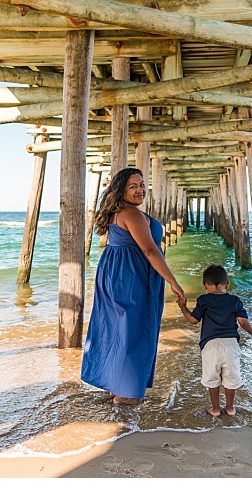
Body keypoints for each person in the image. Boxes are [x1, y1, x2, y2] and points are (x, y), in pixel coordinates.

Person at [81, 168, 187, 405]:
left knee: (117, 329)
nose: (140, 190)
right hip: (132, 278)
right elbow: (150, 250)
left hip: (114, 274)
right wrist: (173, 281)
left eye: (142, 185)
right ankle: (126, 396)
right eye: (133, 186)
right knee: (135, 331)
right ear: (121, 189)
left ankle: (116, 386)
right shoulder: (132, 214)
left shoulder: (116, 213)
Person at [177, 264, 252, 417]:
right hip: (231, 343)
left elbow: (193, 320)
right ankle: (230, 408)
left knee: (212, 377)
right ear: (227, 284)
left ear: (204, 285)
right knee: (231, 376)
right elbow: (243, 322)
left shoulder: (203, 300)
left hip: (210, 344)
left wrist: (183, 307)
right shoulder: (234, 300)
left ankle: (215, 409)